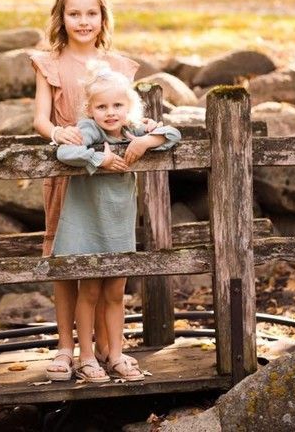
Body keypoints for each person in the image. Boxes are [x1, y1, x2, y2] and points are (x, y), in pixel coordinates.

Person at [31, 0, 156, 382]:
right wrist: (56, 133)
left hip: (110, 178)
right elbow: (40, 118)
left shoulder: (120, 65)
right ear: (61, 18)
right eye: (74, 13)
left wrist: (149, 133)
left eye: (91, 13)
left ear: (103, 17)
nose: (83, 21)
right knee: (68, 260)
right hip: (70, 168)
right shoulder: (49, 62)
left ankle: (106, 348)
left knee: (107, 260)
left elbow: (128, 115)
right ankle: (67, 349)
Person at [54, 69, 180, 382]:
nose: (110, 113)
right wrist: (101, 160)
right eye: (101, 107)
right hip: (90, 228)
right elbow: (65, 151)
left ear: (129, 107)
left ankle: (115, 353)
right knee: (90, 292)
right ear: (90, 110)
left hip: (118, 229)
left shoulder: (131, 131)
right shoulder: (90, 131)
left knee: (115, 293)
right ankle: (86, 357)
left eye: (117, 106)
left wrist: (147, 141)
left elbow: (174, 135)